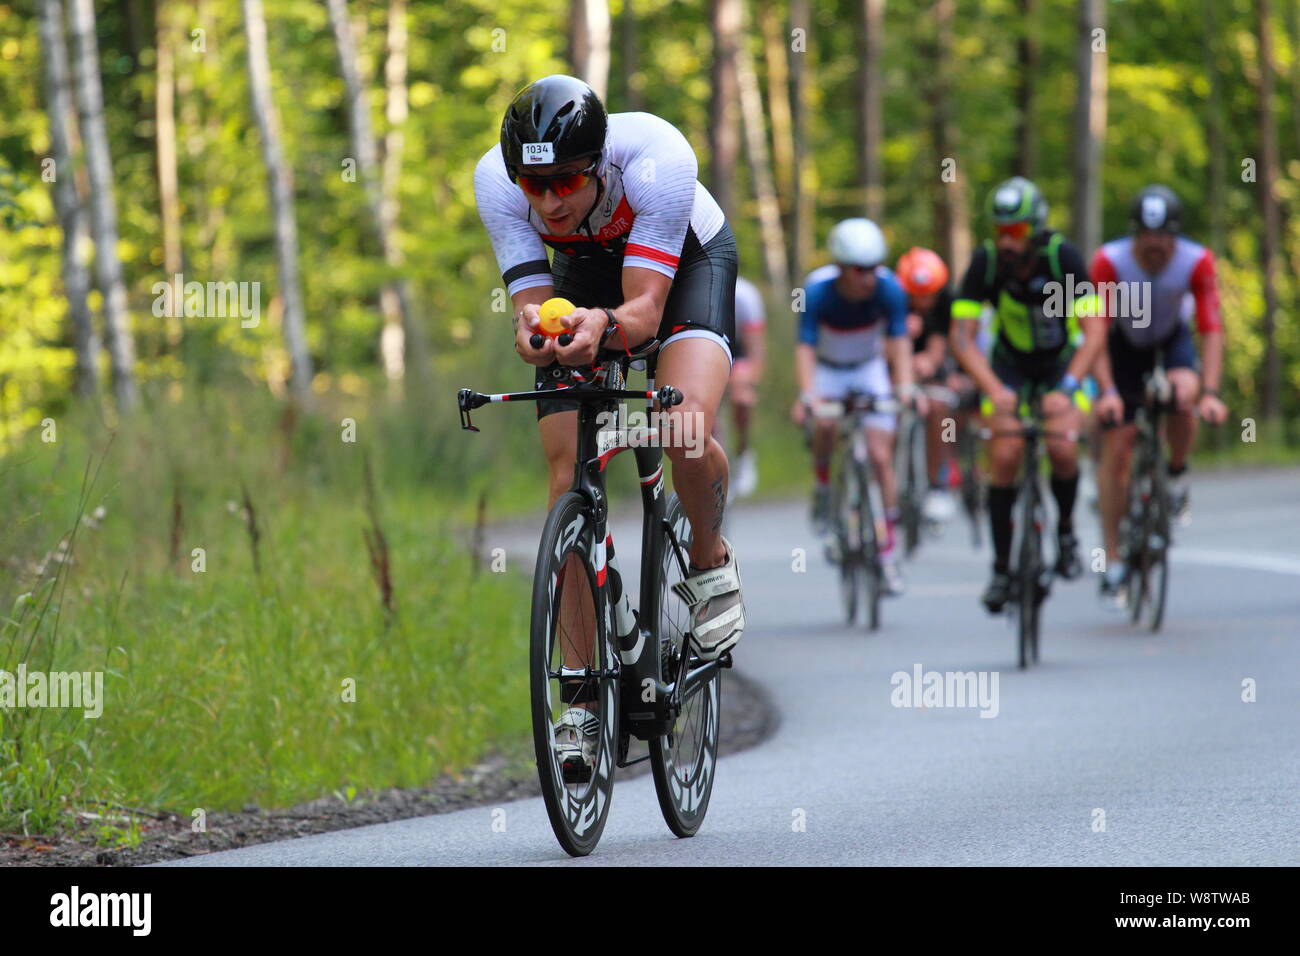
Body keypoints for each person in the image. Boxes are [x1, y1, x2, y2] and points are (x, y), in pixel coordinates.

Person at [474, 75, 745, 772]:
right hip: (585, 277)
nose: (551, 201)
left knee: (682, 424)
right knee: (565, 471)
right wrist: (535, 331)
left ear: (596, 166)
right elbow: (530, 308)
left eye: (566, 181)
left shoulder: (658, 158)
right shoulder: (497, 184)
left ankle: (710, 566)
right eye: (536, 187)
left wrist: (603, 328)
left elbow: (646, 314)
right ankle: (583, 705)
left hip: (683, 267)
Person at [948, 177, 1106, 613]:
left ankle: (1068, 533)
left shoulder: (1063, 258)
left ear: (1034, 228)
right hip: (1009, 366)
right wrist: (993, 388)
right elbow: (962, 337)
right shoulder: (986, 262)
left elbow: (1094, 333)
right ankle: (1001, 568)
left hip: (1060, 365)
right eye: (1000, 232)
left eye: (1015, 232)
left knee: (1062, 447)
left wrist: (1069, 387)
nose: (1007, 242)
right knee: (1004, 455)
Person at [1090, 185, 1228, 597]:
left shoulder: (1196, 260)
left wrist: (1212, 391)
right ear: (1135, 234)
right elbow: (1095, 331)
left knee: (1184, 394)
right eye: (1146, 237)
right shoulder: (1109, 261)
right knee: (1119, 446)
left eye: (1163, 237)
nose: (1154, 246)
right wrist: (1107, 391)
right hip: (1123, 346)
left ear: (1175, 235)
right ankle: (1113, 558)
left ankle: (1175, 473)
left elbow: (1211, 328)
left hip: (1170, 340)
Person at [791, 218, 923, 596]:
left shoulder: (890, 290)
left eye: (874, 267)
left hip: (869, 369)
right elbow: (805, 349)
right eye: (860, 270)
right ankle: (822, 486)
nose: (869, 276)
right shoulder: (817, 292)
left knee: (881, 455)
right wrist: (808, 395)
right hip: (829, 372)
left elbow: (899, 345)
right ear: (842, 268)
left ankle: (888, 548)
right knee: (827, 427)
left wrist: (906, 387)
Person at [895, 246, 968, 523]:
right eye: (916, 295)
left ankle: (940, 480)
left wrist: (945, 369)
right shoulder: (892, 298)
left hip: (938, 364)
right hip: (897, 364)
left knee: (941, 405)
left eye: (929, 295)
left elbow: (948, 342)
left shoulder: (949, 299)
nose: (923, 301)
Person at [728, 276, 767, 499]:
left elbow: (756, 353)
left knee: (742, 396)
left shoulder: (745, 295)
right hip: (706, 347)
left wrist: (745, 383)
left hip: (739, 352)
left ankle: (743, 453)